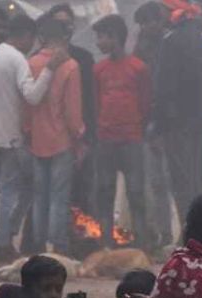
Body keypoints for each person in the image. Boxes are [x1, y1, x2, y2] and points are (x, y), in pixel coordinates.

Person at [0, 15, 68, 266]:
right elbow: (32, 96)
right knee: (14, 191)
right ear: (25, 35)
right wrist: (51, 68)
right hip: (11, 137)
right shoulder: (16, 58)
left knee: (11, 190)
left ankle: (0, 242)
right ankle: (1, 245)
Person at [149, 0, 202, 229]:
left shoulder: (171, 40)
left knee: (181, 182)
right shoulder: (199, 37)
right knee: (197, 179)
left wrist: (157, 127)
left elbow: (163, 88)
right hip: (198, 123)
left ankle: (190, 232)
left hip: (176, 125)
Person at [93, 14, 154, 249]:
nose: (99, 42)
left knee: (136, 193)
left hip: (131, 139)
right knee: (105, 192)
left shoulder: (138, 68)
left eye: (102, 36)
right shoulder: (99, 70)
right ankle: (105, 243)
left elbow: (146, 103)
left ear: (115, 37)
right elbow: (97, 103)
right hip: (107, 139)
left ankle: (142, 244)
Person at [27, 16, 85, 255]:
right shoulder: (70, 66)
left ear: (42, 37)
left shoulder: (31, 63)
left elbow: (27, 105)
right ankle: (58, 245)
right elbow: (73, 111)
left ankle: (39, 244)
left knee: (39, 196)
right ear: (63, 37)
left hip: (36, 139)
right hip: (61, 140)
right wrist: (78, 136)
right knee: (59, 196)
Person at [49, 4, 100, 226]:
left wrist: (88, 137)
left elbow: (91, 101)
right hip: (49, 139)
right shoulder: (40, 60)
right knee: (51, 194)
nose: (64, 28)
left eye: (67, 24)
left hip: (79, 137)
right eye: (58, 24)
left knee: (82, 190)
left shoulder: (84, 58)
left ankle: (82, 240)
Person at [134, 1, 175, 249]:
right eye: (142, 23)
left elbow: (167, 91)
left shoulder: (171, 44)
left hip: (169, 125)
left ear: (160, 20)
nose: (147, 27)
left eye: (150, 21)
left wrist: (160, 127)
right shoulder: (141, 48)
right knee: (157, 184)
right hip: (148, 124)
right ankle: (164, 234)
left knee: (173, 181)